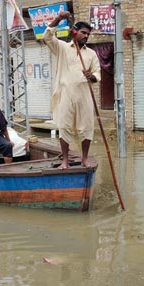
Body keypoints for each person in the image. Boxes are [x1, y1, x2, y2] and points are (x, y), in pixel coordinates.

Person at [43, 10, 101, 169]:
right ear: (74, 32)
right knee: (64, 127)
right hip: (66, 94)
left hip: (84, 96)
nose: (86, 36)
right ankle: (65, 161)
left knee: (87, 127)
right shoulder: (62, 47)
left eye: (88, 34)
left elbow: (97, 74)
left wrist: (91, 77)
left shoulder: (91, 54)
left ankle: (84, 159)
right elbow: (47, 36)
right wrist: (59, 18)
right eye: (83, 33)